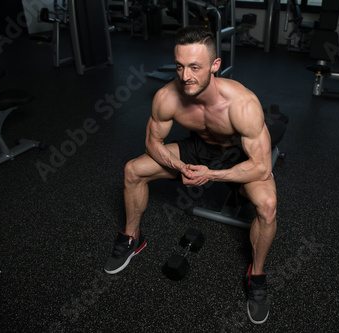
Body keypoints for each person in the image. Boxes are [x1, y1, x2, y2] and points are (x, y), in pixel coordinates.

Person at [104, 25, 277, 324]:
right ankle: (133, 237)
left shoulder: (243, 105)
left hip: (236, 154)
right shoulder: (167, 96)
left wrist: (212, 174)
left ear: (215, 65)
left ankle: (256, 275)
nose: (186, 77)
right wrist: (180, 167)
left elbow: (262, 166)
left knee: (267, 207)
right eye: (180, 66)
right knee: (133, 170)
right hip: (197, 149)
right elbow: (152, 143)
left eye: (195, 67)